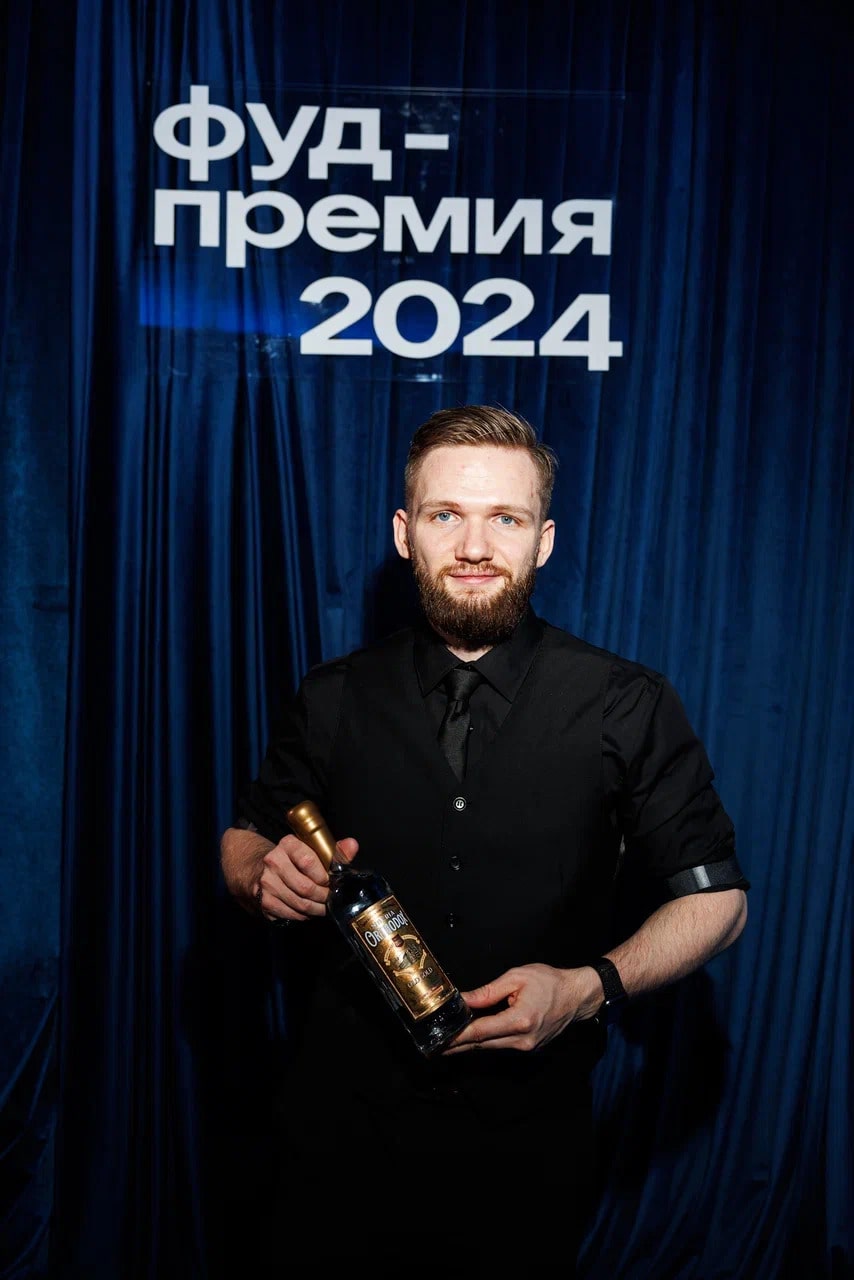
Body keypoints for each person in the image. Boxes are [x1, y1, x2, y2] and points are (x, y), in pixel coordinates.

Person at [220, 404, 749, 1267]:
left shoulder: (627, 703)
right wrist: (258, 877)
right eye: (445, 516)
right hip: (334, 1142)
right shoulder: (332, 695)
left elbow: (718, 900)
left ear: (543, 541)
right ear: (405, 534)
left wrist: (589, 987)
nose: (474, 547)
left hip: (528, 1151)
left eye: (505, 518)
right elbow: (246, 836)